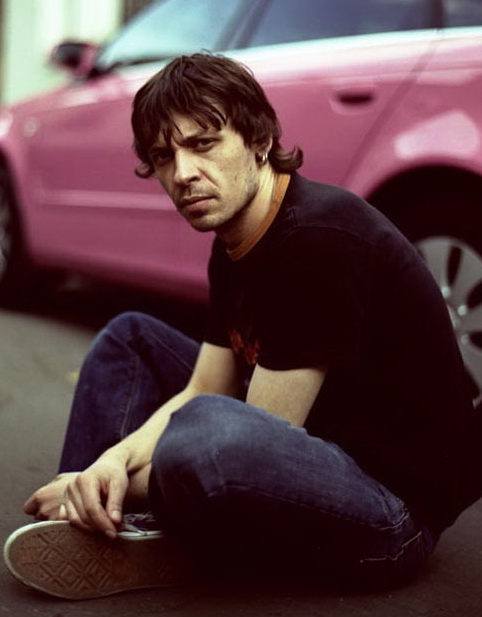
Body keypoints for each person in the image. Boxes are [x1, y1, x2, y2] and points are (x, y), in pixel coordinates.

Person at [4, 52, 482, 600]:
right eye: (164, 156)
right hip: (314, 449)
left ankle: (108, 508)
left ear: (258, 140)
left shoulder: (318, 241)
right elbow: (207, 384)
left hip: (388, 514)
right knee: (129, 339)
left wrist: (125, 483)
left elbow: (256, 430)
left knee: (207, 431)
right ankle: (87, 513)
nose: (183, 174)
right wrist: (108, 463)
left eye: (203, 144)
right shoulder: (235, 239)